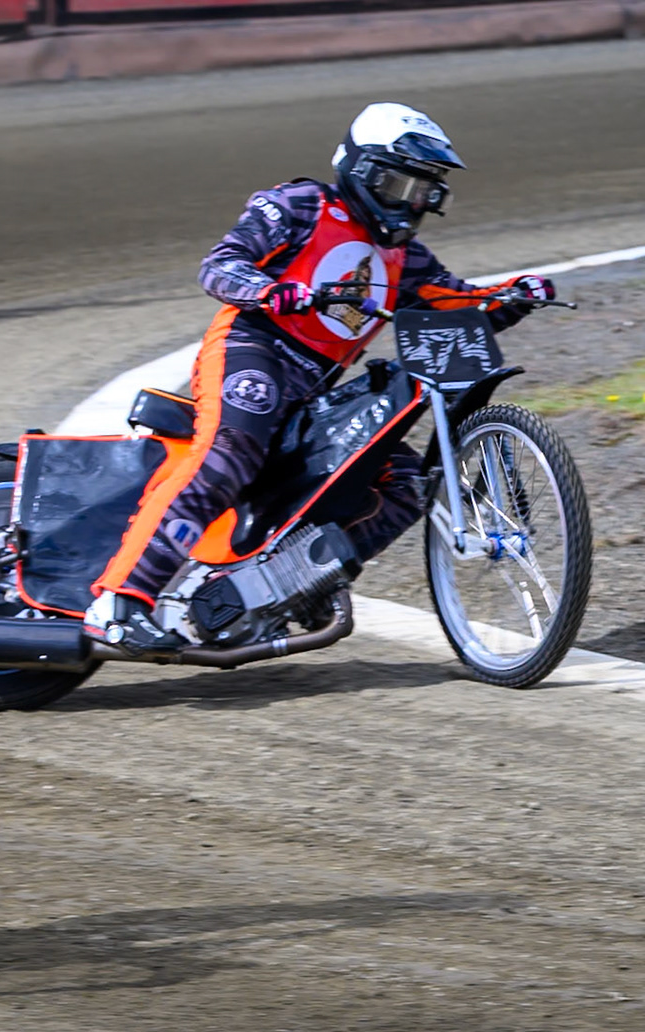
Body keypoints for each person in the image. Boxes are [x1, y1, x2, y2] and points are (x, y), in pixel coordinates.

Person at [84, 102, 558, 654]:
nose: (410, 203)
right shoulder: (300, 205)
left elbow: (456, 305)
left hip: (315, 390)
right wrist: (267, 291)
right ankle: (118, 602)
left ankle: (282, 587)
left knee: (403, 482)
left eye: (423, 191)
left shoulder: (405, 256)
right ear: (363, 172)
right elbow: (219, 265)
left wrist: (514, 294)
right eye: (399, 184)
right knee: (231, 452)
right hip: (252, 350)